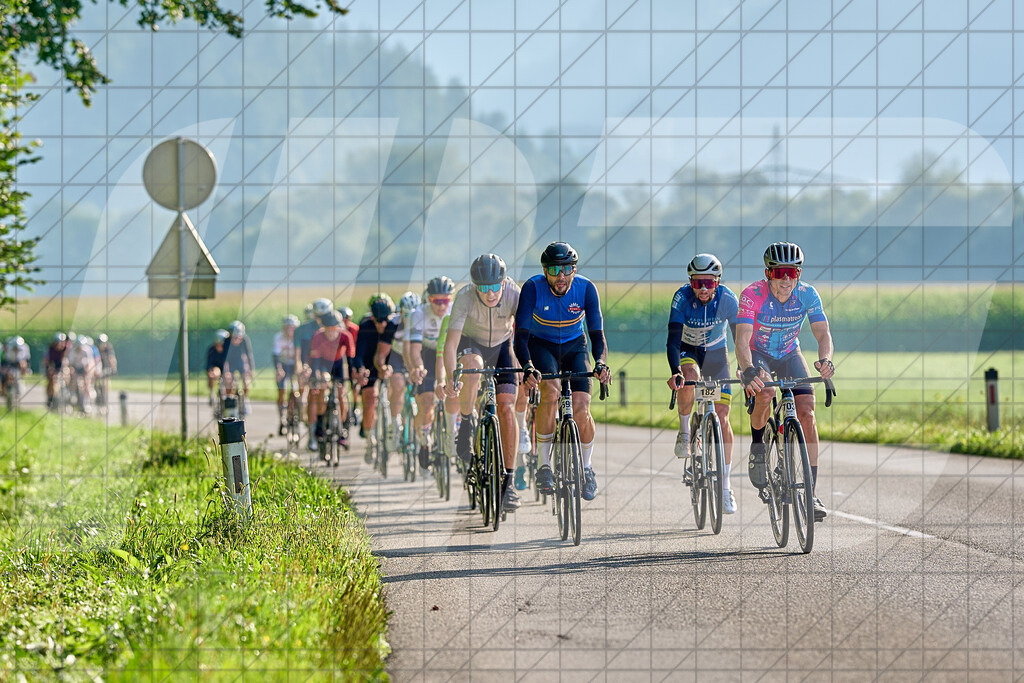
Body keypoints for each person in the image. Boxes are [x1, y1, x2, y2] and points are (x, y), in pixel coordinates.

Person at [736, 241, 835, 522]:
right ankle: (758, 447)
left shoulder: (807, 294)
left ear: (799, 274)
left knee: (807, 412)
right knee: (766, 393)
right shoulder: (752, 295)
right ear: (768, 273)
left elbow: (823, 334)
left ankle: (811, 492)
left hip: (790, 353)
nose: (786, 279)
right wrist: (748, 369)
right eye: (780, 273)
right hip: (758, 354)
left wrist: (825, 360)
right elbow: (742, 339)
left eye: (793, 272)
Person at [515, 242, 612, 502]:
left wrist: (600, 362)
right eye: (554, 270)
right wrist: (527, 365)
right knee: (551, 391)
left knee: (581, 408)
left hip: (574, 346)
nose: (561, 276)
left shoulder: (586, 289)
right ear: (545, 271)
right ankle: (544, 465)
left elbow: (597, 334)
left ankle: (587, 468)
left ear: (574, 269)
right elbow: (521, 336)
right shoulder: (532, 288)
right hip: (541, 345)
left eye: (567, 269)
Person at [437, 254, 523, 512]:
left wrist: (524, 365)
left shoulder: (514, 294)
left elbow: (524, 336)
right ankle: (466, 422)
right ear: (475, 286)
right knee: (472, 368)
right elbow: (451, 343)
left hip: (502, 346)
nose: (490, 293)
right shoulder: (464, 297)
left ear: (503, 283)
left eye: (495, 286)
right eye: (483, 288)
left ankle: (508, 482)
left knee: (506, 407)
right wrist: (452, 377)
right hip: (471, 343)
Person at [666, 253, 740, 514]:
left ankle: (726, 486)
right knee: (690, 376)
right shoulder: (682, 298)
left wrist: (745, 367)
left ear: (717, 282)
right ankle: (685, 431)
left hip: (717, 354)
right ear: (691, 283)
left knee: (723, 416)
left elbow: (740, 337)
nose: (703, 289)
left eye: (708, 283)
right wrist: (675, 371)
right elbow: (672, 340)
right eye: (698, 283)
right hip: (689, 350)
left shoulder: (728, 299)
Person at [407, 276, 456, 470]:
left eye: (446, 300)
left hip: (450, 352)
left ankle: (455, 429)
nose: (442, 305)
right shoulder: (418, 314)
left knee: (456, 393)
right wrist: (418, 367)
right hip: (427, 355)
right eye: (437, 301)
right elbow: (415, 350)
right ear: (429, 299)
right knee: (427, 401)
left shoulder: (455, 311)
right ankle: (424, 441)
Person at [352, 294, 400, 461]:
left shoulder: (393, 325)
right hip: (369, 366)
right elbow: (358, 354)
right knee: (370, 397)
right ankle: (370, 438)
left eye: (386, 320)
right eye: (379, 321)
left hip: (389, 364)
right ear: (373, 318)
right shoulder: (366, 326)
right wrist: (361, 369)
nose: (383, 324)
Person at [308, 310, 356, 452]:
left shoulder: (345, 336)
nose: (331, 332)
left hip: (338, 364)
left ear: (338, 327)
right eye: (328, 329)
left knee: (341, 394)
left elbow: (350, 360)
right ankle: (320, 424)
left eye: (334, 329)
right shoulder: (318, 336)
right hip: (323, 363)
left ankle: (342, 428)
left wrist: (351, 379)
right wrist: (317, 377)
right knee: (322, 389)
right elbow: (315, 361)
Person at [273, 315, 300, 435]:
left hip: (294, 365)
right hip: (283, 365)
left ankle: (293, 413)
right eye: (288, 328)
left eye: (292, 328)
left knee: (295, 390)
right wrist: (278, 369)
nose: (290, 331)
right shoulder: (278, 338)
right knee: (282, 390)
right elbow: (276, 356)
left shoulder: (298, 338)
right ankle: (282, 419)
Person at [224, 320, 256, 414]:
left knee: (246, 381)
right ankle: (229, 402)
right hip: (230, 363)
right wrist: (226, 372)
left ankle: (245, 399)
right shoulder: (226, 341)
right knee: (229, 382)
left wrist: (251, 370)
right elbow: (224, 359)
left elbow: (249, 355)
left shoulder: (245, 340)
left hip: (240, 362)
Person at [68, 335, 98, 413]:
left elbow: (89, 363)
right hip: (75, 366)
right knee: (73, 380)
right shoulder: (72, 350)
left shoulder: (87, 350)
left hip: (84, 366)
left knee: (86, 383)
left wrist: (87, 374)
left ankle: (86, 402)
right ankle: (72, 396)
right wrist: (73, 372)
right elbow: (70, 364)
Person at [44, 332, 69, 409]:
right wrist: (50, 369)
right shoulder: (50, 349)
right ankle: (50, 398)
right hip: (53, 367)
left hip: (62, 367)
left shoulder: (66, 349)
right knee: (52, 380)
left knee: (67, 376)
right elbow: (46, 361)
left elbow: (67, 361)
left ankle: (68, 397)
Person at [205, 329, 230, 404]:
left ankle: (228, 399)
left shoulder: (228, 350)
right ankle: (212, 393)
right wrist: (211, 372)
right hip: (217, 369)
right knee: (212, 375)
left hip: (227, 369)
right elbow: (210, 364)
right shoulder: (212, 350)